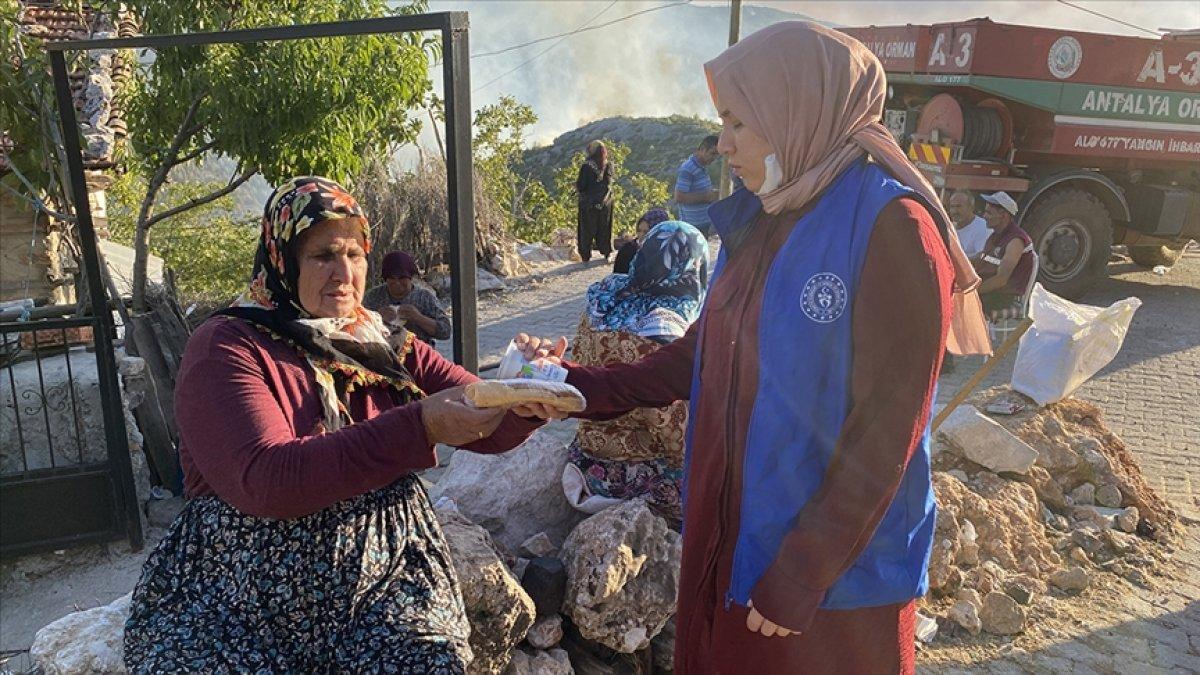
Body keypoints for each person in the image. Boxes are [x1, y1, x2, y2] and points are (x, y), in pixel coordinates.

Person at [513, 22, 991, 675]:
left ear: (798, 110)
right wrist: (572, 384)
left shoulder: (892, 228)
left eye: (740, 122)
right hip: (732, 547)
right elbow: (699, 355)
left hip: (828, 588)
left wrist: (801, 573)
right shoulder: (763, 215)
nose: (724, 145)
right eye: (723, 124)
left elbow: (888, 431)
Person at [123, 177, 549, 673]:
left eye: (355, 254)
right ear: (283, 258)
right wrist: (419, 426)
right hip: (240, 597)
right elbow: (267, 480)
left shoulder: (383, 342)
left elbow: (483, 421)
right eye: (323, 255)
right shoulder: (228, 346)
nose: (344, 274)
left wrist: (521, 394)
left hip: (383, 581)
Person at [565, 219, 708, 525]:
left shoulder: (603, 300)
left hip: (585, 457)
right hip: (631, 475)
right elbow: (672, 431)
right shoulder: (666, 329)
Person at [362, 250, 452, 346]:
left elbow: (445, 331)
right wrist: (376, 319)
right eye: (391, 278)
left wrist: (418, 317)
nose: (397, 282)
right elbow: (356, 329)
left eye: (402, 278)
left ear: (410, 277)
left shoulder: (425, 297)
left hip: (418, 352)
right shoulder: (373, 297)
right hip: (382, 352)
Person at [973, 191, 1035, 314]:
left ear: (1003, 215)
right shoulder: (995, 236)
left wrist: (973, 291)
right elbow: (982, 258)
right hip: (991, 292)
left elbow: (1001, 279)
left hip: (1005, 297)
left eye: (989, 213)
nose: (984, 216)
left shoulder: (1015, 241)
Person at [576, 140, 615, 262]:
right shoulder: (608, 165)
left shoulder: (586, 166)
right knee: (605, 227)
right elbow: (608, 184)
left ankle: (585, 255)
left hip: (588, 203)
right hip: (606, 202)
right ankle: (607, 252)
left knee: (586, 230)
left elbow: (581, 186)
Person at [674, 135, 721, 236]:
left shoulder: (701, 167)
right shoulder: (688, 169)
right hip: (692, 227)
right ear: (702, 149)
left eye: (717, 155)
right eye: (712, 153)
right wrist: (707, 197)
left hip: (704, 224)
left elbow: (700, 191)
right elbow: (679, 197)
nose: (714, 158)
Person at [612, 208, 671, 274]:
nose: (641, 235)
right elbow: (618, 276)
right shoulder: (628, 251)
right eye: (639, 230)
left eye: (646, 232)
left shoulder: (669, 253)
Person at [945, 190, 991, 258]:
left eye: (959, 206)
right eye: (952, 206)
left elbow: (983, 257)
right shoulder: (948, 227)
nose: (954, 211)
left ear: (971, 208)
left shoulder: (983, 227)